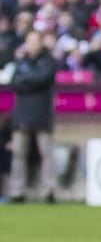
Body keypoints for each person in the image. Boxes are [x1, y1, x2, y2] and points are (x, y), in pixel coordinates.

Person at [7, 26, 57, 202]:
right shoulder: (21, 62)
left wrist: (26, 79)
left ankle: (49, 190)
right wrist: (31, 80)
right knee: (19, 154)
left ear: (41, 43)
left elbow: (44, 78)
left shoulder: (48, 61)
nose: (32, 45)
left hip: (42, 114)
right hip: (21, 114)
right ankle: (17, 190)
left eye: (35, 41)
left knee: (46, 153)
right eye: (29, 41)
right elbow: (14, 82)